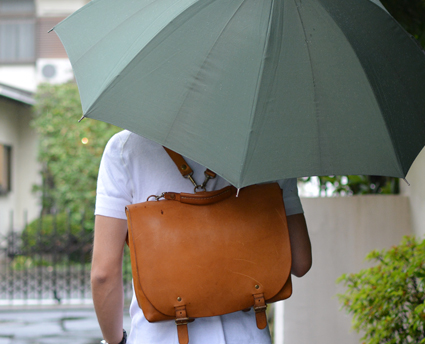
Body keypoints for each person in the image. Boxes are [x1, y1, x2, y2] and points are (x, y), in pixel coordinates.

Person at [91, 130, 313, 344]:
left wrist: (114, 341)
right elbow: (301, 261)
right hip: (248, 335)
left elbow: (103, 274)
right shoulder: (266, 146)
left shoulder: (126, 148)